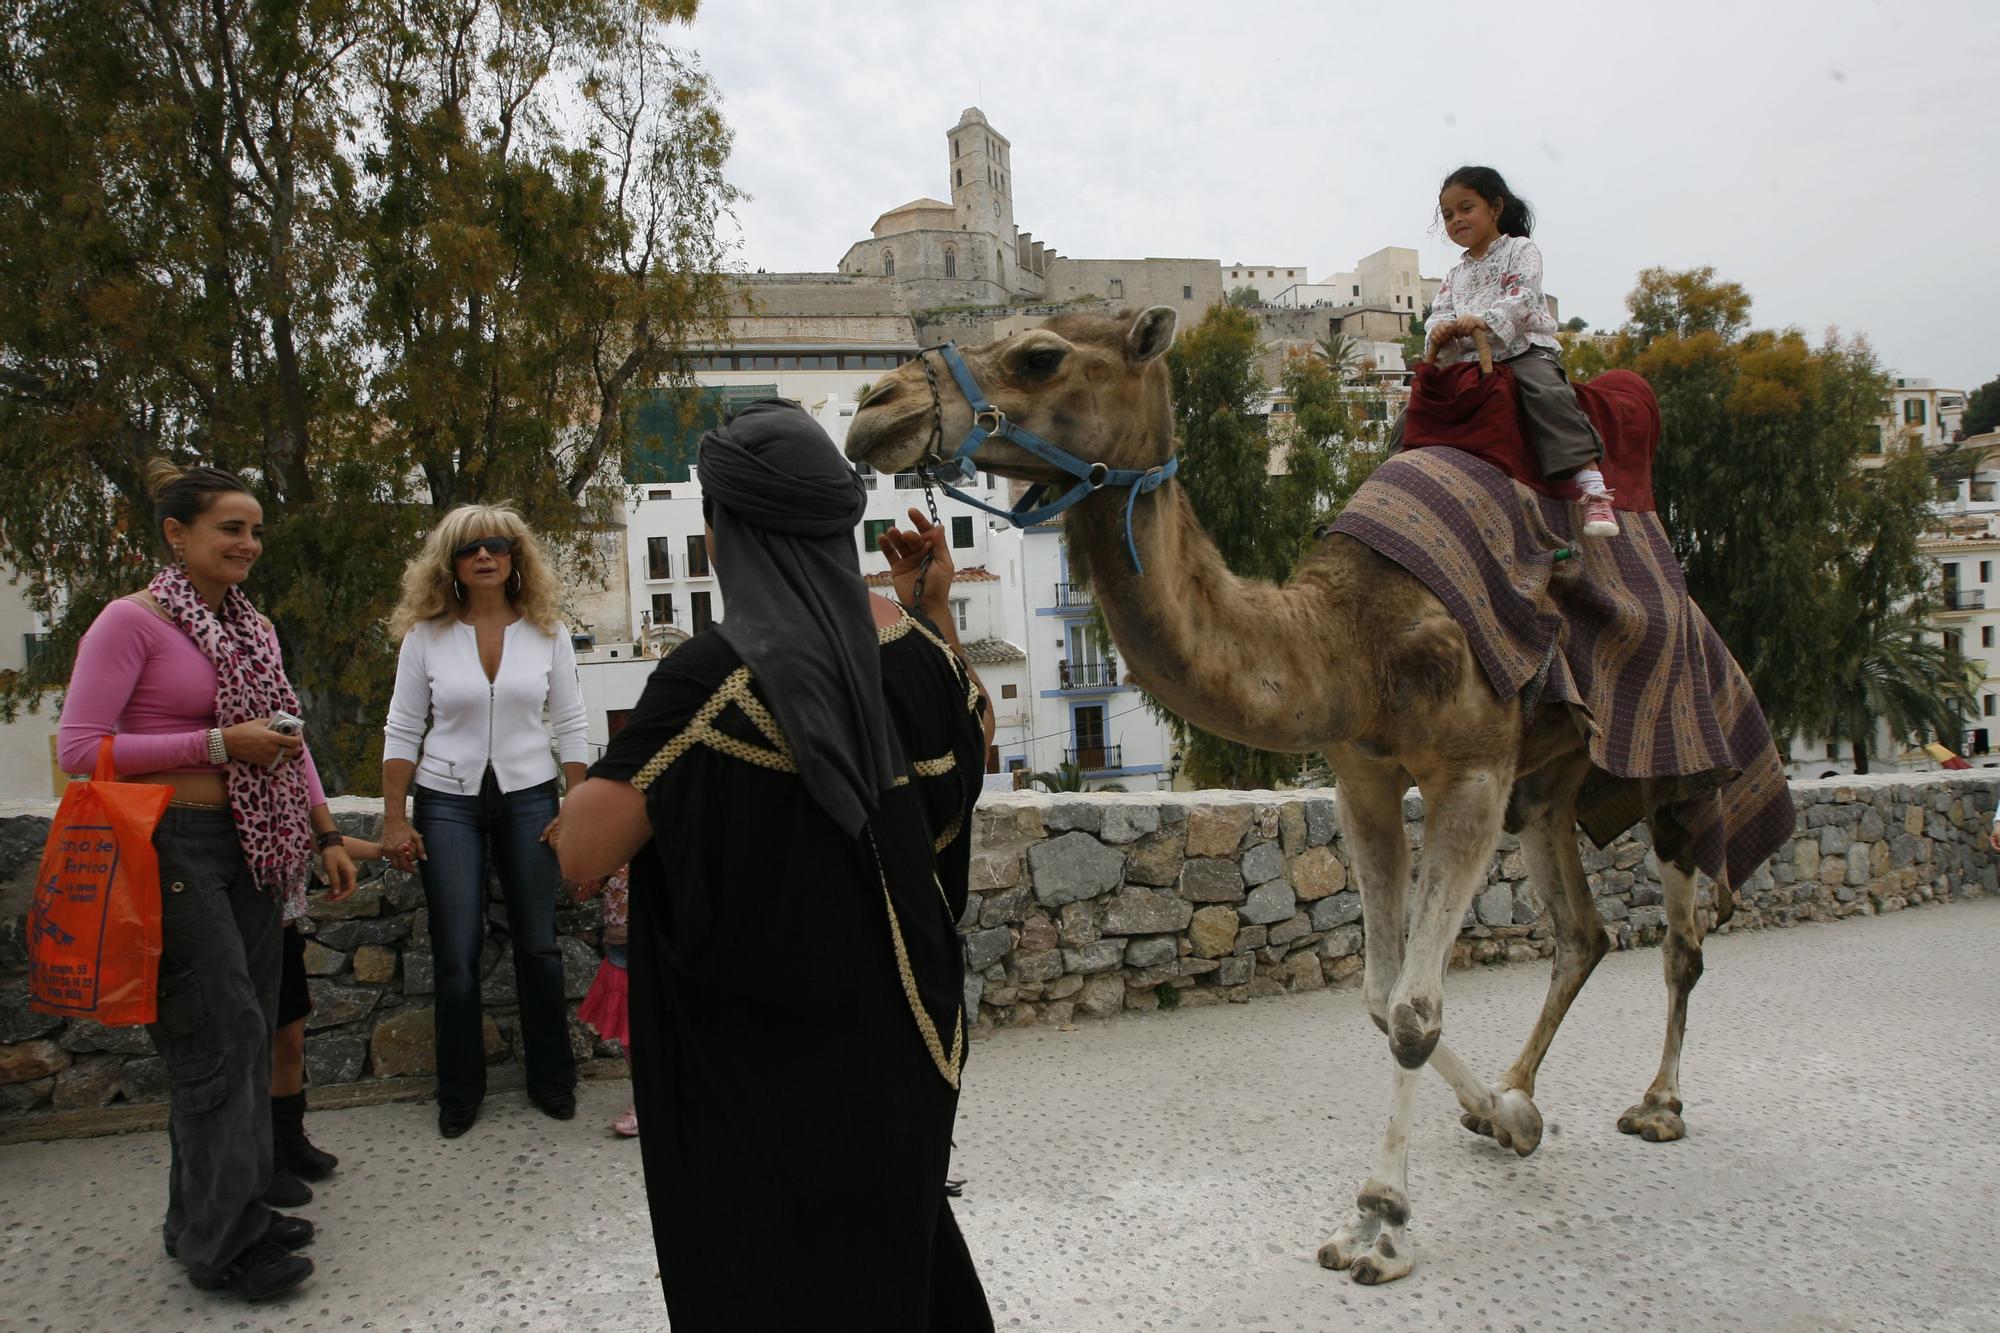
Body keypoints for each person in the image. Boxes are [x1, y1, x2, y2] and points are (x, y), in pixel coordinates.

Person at [558, 400, 997, 1331]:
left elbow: (583, 852)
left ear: (728, 533)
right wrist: (932, 611)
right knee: (897, 1255)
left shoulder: (717, 675)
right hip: (909, 1037)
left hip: (771, 1065)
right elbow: (976, 746)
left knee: (776, 1277)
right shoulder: (915, 650)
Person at [57, 461, 359, 1301]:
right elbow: (81, 751)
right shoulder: (132, 623)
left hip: (255, 845)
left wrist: (324, 829)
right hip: (173, 846)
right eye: (231, 527)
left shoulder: (254, 628)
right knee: (219, 1031)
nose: (249, 543)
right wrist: (218, 744)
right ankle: (224, 1242)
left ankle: (215, 1210)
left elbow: (285, 738)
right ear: (176, 534)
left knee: (249, 1028)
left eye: (256, 528)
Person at [380, 505, 586, 1138]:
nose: (485, 557)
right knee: (457, 952)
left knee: (539, 945)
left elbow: (573, 724)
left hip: (530, 794)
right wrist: (394, 816)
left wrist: (574, 808)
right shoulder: (426, 637)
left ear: (515, 557)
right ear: (452, 565)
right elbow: (403, 728)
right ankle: (460, 1091)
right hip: (446, 799)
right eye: (470, 550)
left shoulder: (547, 633)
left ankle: (552, 1080)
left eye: (497, 546)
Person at [1398, 164, 1619, 539]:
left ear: (1495, 208)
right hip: (1469, 358)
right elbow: (1438, 315)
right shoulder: (1455, 274)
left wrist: (1481, 321)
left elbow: (1521, 296)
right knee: (1414, 411)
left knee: (1545, 392)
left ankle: (1591, 486)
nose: (1456, 220)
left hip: (1522, 349)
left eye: (1466, 208)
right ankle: (1396, 483)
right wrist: (1443, 331)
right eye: (1448, 215)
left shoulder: (1522, 250)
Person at [266, 832, 385, 1207]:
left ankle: (289, 1140)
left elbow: (309, 830)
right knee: (245, 1049)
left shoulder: (279, 784)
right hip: (239, 928)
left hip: (282, 926)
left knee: (290, 1040)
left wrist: (383, 850)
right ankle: (261, 1159)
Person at [573, 864, 637, 1137]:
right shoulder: (615, 840)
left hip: (676, 941)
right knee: (632, 1036)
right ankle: (646, 1099)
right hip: (625, 951)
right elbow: (580, 889)